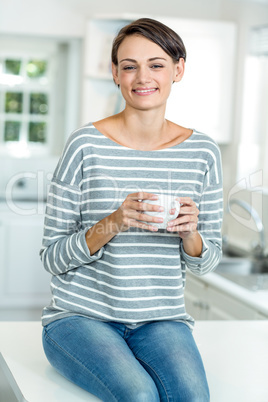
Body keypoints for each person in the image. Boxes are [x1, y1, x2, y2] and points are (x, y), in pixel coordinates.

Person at [41, 17, 223, 402]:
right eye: (129, 65)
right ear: (115, 73)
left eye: (156, 64)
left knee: (193, 397)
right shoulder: (84, 145)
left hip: (162, 319)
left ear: (178, 69)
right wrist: (114, 222)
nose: (143, 76)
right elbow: (51, 258)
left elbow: (207, 262)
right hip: (80, 318)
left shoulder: (203, 152)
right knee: (139, 395)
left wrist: (191, 233)